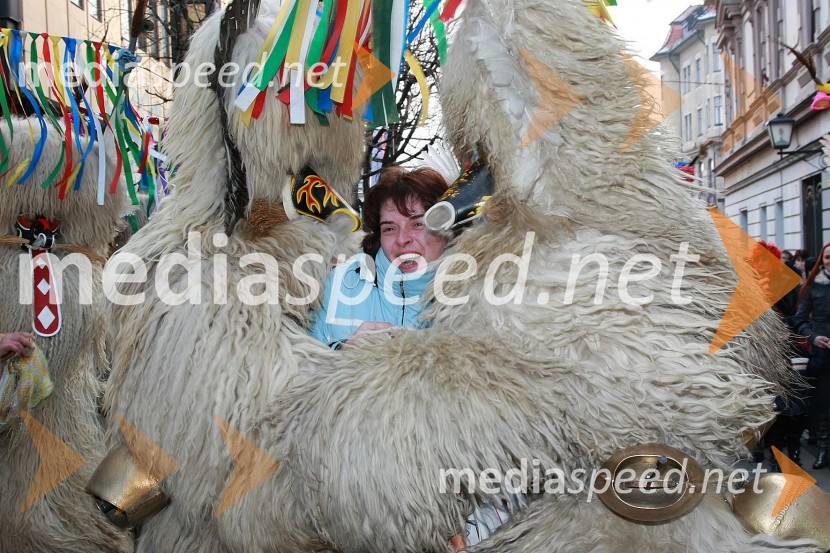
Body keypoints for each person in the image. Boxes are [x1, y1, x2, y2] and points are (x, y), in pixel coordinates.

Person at [309, 166, 450, 349]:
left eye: (418, 224)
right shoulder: (337, 284)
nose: (402, 239)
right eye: (389, 228)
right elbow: (294, 367)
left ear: (448, 228)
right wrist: (341, 352)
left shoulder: (477, 291)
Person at [792, 241, 830, 469]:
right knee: (825, 404)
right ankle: (824, 449)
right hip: (823, 353)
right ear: (822, 260)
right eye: (827, 257)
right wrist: (813, 337)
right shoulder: (814, 285)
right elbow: (799, 319)